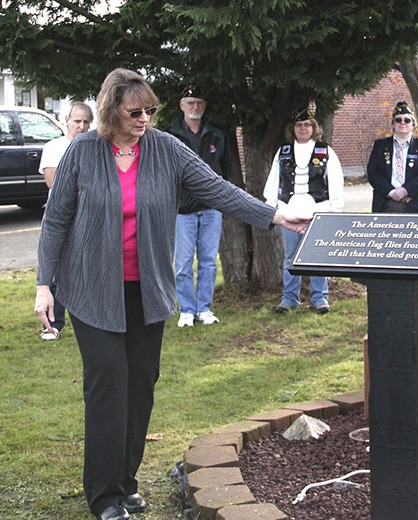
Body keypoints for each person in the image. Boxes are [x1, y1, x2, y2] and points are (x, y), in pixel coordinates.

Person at [33, 68, 309, 520]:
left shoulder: (166, 149)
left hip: (147, 290)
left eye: (151, 111)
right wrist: (45, 285)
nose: (145, 118)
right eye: (134, 111)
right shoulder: (82, 152)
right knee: (108, 386)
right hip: (90, 289)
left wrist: (276, 216)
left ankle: (125, 483)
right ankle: (103, 496)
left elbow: (218, 188)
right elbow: (56, 221)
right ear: (111, 110)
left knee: (140, 387)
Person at [263, 107, 344, 314]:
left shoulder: (325, 151)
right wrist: (271, 209)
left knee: (318, 256)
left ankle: (319, 298)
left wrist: (334, 211)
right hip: (289, 212)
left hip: (318, 211)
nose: (303, 128)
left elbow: (335, 181)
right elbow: (274, 180)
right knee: (290, 257)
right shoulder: (284, 152)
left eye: (307, 124)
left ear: (314, 128)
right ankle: (289, 299)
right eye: (299, 125)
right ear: (293, 129)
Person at [166, 85, 229, 328]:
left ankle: (204, 308)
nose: (195, 107)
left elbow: (226, 170)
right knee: (182, 263)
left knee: (208, 262)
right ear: (182, 105)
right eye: (190, 102)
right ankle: (186, 310)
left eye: (199, 103)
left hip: (212, 208)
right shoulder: (171, 135)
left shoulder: (216, 135)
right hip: (183, 211)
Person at [37, 101, 94, 341]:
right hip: (61, 219)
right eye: (77, 121)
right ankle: (53, 322)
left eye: (86, 122)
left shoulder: (95, 148)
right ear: (66, 121)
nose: (81, 126)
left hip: (88, 218)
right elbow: (53, 181)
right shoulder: (54, 147)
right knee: (56, 269)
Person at [367, 101, 418, 214]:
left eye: (407, 120)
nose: (402, 123)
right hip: (386, 202)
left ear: (413, 124)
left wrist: (405, 190)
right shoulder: (380, 145)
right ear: (393, 124)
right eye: (398, 120)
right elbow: (372, 172)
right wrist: (393, 192)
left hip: (415, 202)